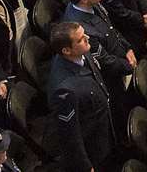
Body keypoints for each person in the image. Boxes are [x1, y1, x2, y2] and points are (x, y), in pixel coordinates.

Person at [46, 19, 115, 172]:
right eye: (81, 39)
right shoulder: (63, 90)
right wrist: (85, 166)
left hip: (104, 124)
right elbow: (71, 135)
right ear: (66, 50)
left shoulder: (81, 51)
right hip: (93, 144)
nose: (87, 39)